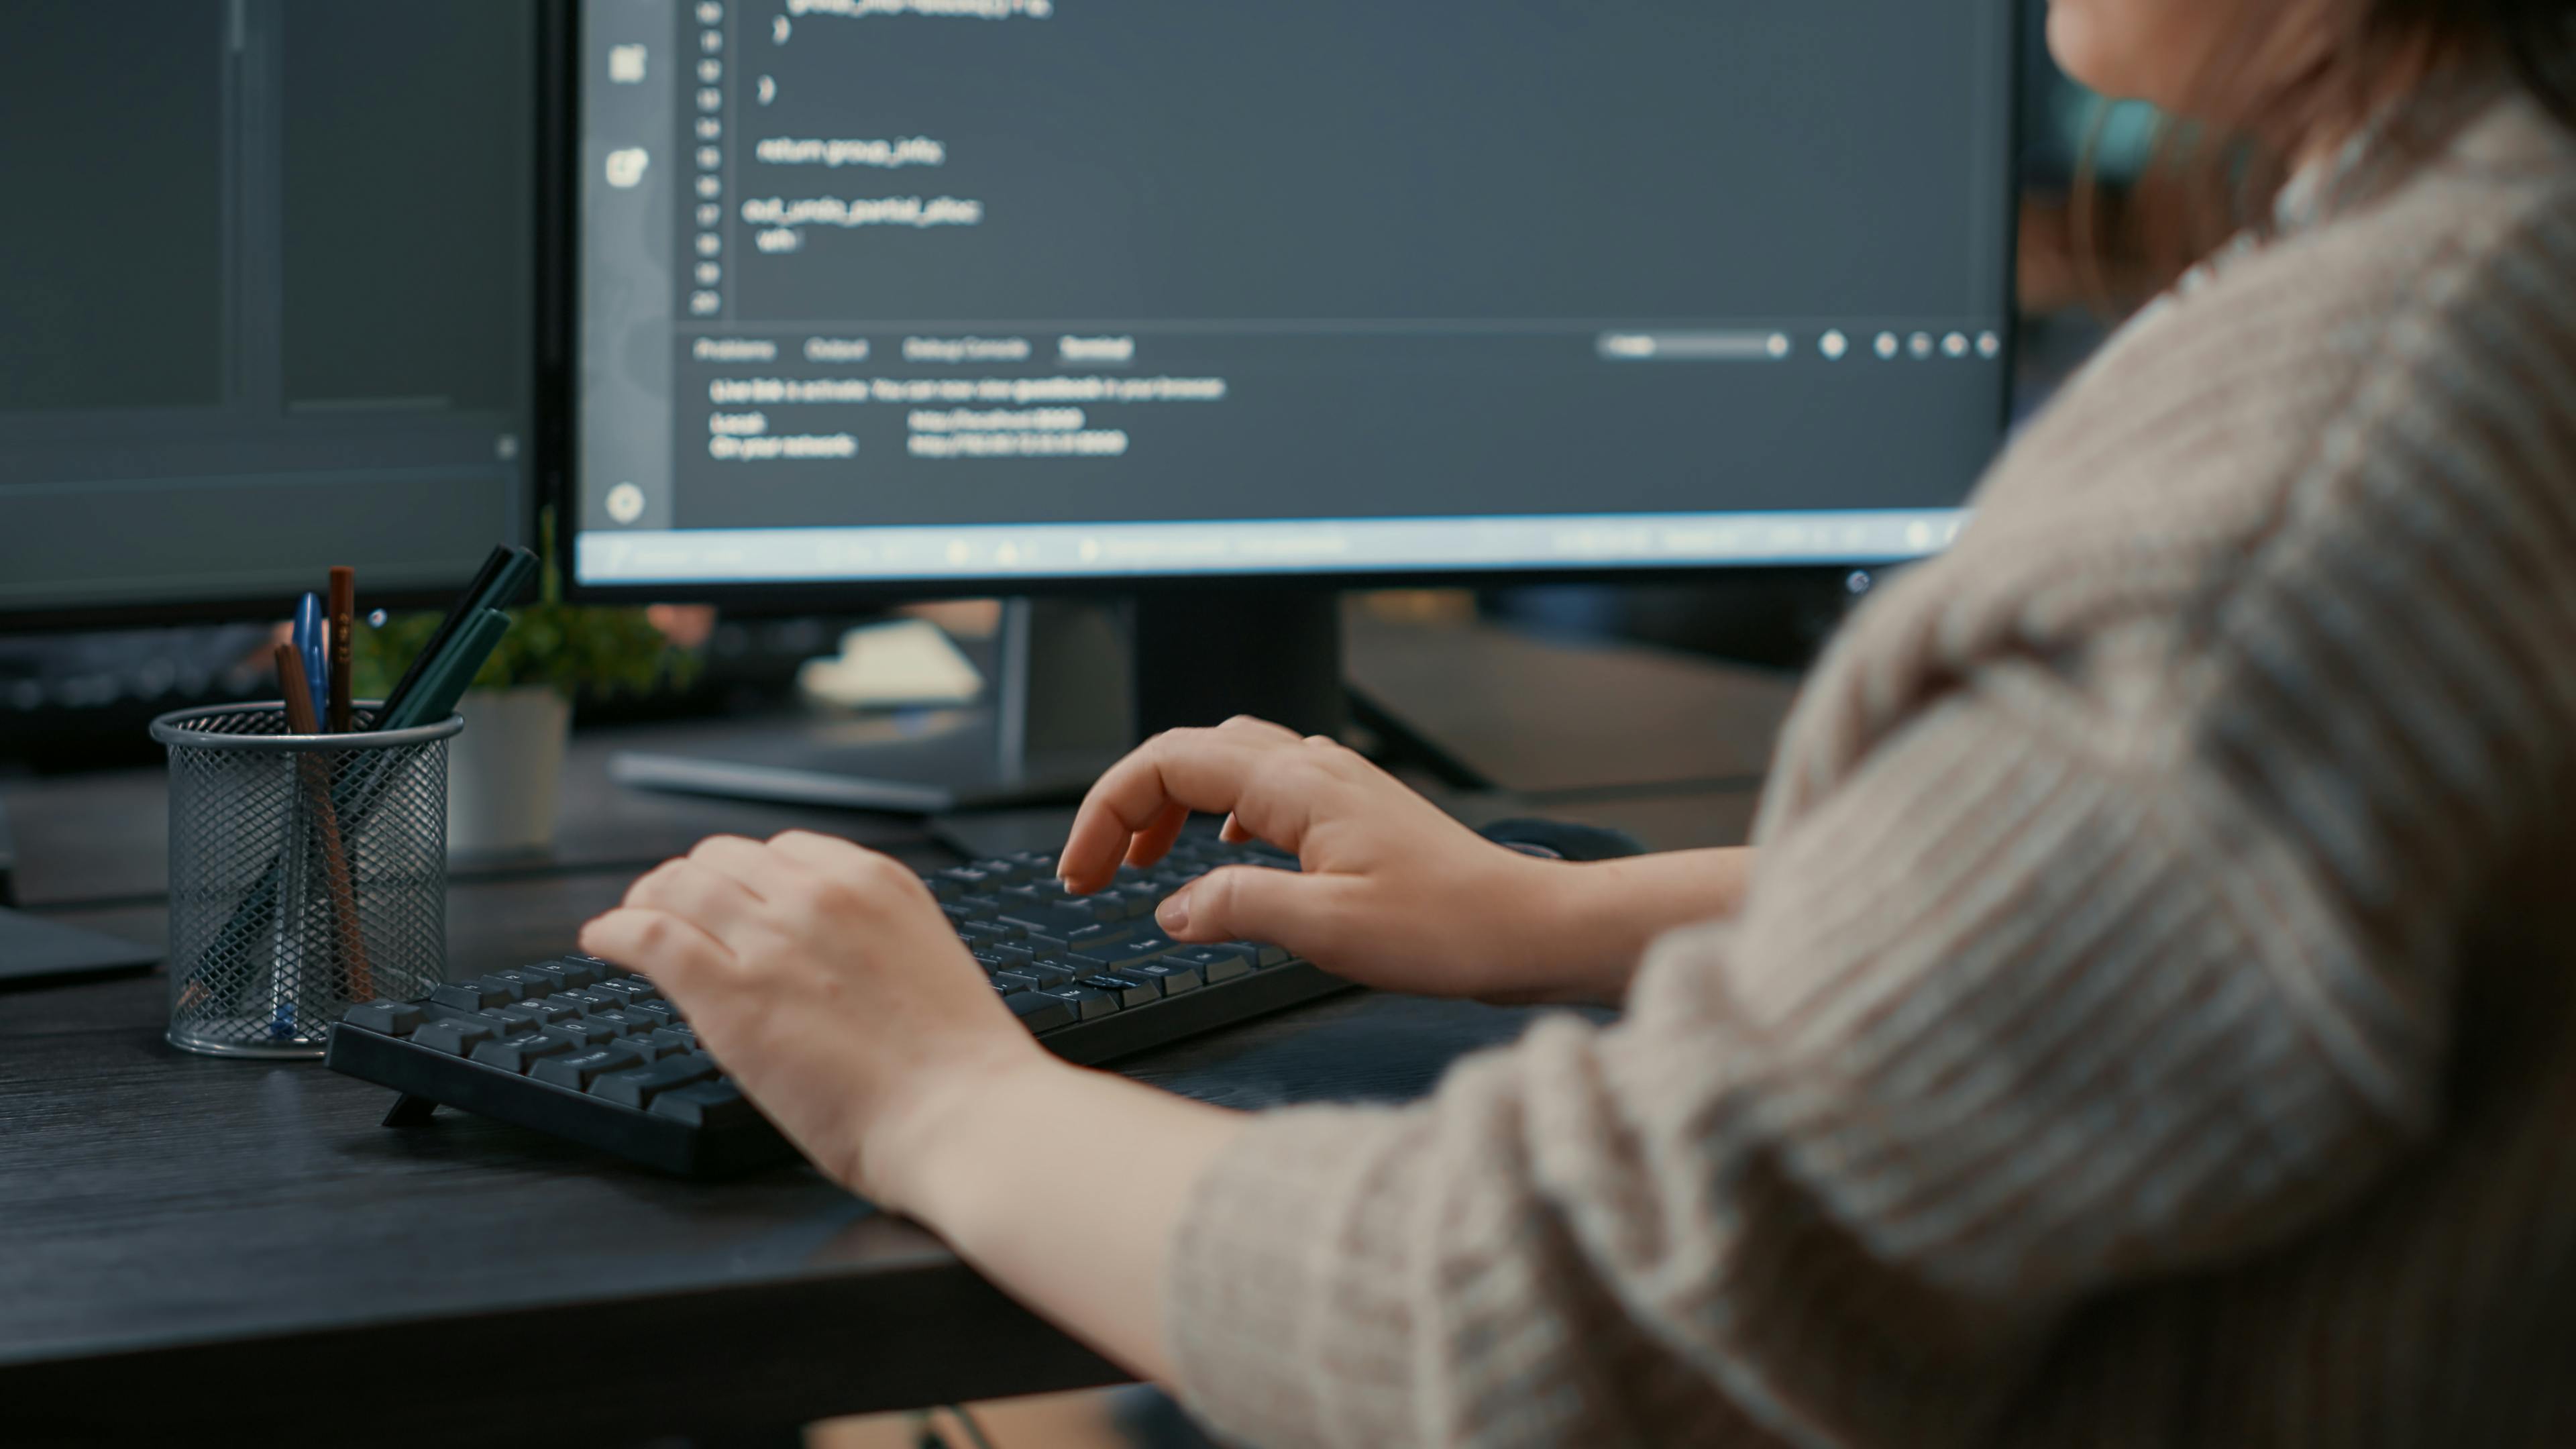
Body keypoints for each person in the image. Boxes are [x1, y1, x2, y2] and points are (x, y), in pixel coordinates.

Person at [582, 1, 2576, 1442]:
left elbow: (1559, 1330)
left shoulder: (2340, 450)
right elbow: (2212, 906)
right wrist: (1544, 919)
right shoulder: (2484, 281)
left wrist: (941, 1095)